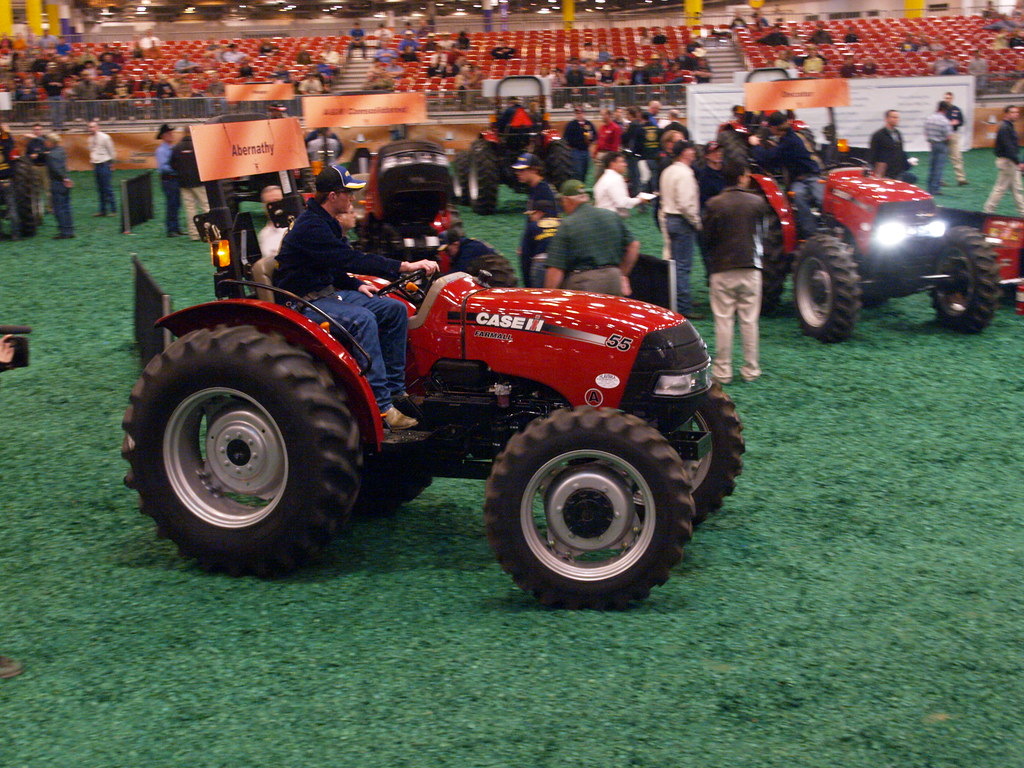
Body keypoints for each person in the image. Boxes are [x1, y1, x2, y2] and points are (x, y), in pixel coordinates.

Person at [273, 165, 439, 430]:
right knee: (363, 319)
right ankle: (382, 407)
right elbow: (349, 258)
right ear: (332, 196)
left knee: (395, 310)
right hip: (304, 301)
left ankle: (397, 391)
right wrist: (404, 267)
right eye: (348, 194)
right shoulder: (311, 227)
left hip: (327, 292)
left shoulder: (325, 222)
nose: (353, 199)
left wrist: (354, 283)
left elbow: (329, 264)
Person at [702, 163, 768, 385]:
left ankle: (723, 371)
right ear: (742, 177)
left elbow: (706, 239)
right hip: (751, 268)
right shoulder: (758, 202)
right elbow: (763, 234)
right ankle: (751, 369)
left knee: (724, 321)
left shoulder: (714, 204)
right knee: (749, 321)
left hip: (722, 269)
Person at [544, 179, 638, 296]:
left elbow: (555, 269)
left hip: (584, 284)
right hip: (614, 279)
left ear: (567, 200)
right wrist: (622, 273)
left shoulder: (567, 225)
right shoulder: (611, 215)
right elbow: (634, 246)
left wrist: (548, 295)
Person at [749, 111, 822, 238]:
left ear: (774, 128)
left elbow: (768, 158)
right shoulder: (787, 139)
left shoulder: (790, 141)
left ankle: (826, 227)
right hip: (799, 181)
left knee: (822, 198)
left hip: (812, 176)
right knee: (799, 197)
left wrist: (755, 146)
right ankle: (811, 233)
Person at [659, 141, 702, 318]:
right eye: (691, 150)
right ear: (685, 153)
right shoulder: (685, 174)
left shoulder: (668, 171)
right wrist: (696, 221)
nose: (693, 152)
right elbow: (685, 205)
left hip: (670, 218)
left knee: (675, 263)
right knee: (683, 266)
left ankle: (675, 300)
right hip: (682, 221)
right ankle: (683, 307)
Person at [983, 105, 1024, 216]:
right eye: (1013, 112)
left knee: (1017, 188)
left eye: (1017, 112)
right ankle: (988, 211)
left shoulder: (1007, 126)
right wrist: (1018, 162)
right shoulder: (1005, 128)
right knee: (1001, 188)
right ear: (1006, 114)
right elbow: (1009, 147)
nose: (1016, 114)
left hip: (1008, 161)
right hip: (1008, 162)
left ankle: (1022, 211)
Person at [170, 129, 208, 241]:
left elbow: (172, 165)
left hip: (184, 183)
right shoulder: (198, 146)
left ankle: (194, 234)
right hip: (198, 181)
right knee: (205, 206)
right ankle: (209, 231)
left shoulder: (176, 148)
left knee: (190, 208)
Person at [518, 198, 560, 288]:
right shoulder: (564, 224)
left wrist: (527, 285)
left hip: (541, 264)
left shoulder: (532, 226)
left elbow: (525, 256)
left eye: (533, 214)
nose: (530, 217)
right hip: (562, 265)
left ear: (540, 213)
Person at [594, 151, 645, 218]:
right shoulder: (615, 179)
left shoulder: (604, 178)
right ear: (613, 164)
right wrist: (640, 200)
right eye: (622, 162)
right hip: (610, 218)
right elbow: (623, 203)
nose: (625, 164)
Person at [868, 110, 915, 182]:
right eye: (894, 117)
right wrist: (873, 168)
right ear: (886, 119)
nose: (896, 119)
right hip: (885, 172)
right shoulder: (878, 135)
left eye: (897, 117)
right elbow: (873, 153)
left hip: (897, 170)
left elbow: (900, 151)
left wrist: (906, 164)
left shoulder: (898, 133)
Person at [44, 131, 73, 239]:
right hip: (66, 182)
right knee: (67, 207)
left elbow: (56, 170)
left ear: (51, 142)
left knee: (59, 208)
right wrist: (67, 178)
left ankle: (64, 232)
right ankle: (69, 230)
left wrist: (63, 178)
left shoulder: (50, 155)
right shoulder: (61, 151)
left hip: (57, 183)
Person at [155, 124, 182, 238]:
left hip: (173, 179)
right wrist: (178, 169)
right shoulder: (162, 150)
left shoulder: (171, 148)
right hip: (169, 179)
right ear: (164, 136)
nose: (172, 135)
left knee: (176, 203)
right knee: (172, 203)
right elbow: (163, 167)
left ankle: (175, 227)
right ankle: (171, 229)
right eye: (169, 133)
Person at [86, 119, 116, 218]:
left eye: (93, 126)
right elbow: (92, 151)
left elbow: (111, 151)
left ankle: (113, 210)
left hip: (104, 164)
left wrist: (111, 163)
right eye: (90, 127)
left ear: (98, 127)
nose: (91, 129)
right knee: (100, 189)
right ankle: (103, 210)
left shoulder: (105, 137)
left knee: (107, 188)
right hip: (96, 164)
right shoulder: (90, 139)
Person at [924, 101, 952, 196]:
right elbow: (948, 136)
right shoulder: (944, 121)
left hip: (932, 144)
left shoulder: (929, 118)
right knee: (938, 168)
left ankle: (929, 187)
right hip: (941, 144)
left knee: (932, 167)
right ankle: (935, 189)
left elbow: (926, 132)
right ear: (945, 110)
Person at [563, 106, 597, 182]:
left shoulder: (589, 124)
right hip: (576, 151)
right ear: (575, 114)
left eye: (581, 113)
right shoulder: (571, 125)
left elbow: (595, 136)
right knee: (578, 171)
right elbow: (566, 138)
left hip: (586, 151)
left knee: (585, 171)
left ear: (584, 113)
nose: (579, 115)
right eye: (577, 113)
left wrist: (591, 140)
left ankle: (583, 184)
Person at [25, 123, 48, 224]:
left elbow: (47, 152)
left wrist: (38, 154)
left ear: (41, 130)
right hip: (34, 167)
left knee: (47, 188)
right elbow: (27, 154)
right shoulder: (30, 143)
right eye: (35, 129)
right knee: (36, 190)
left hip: (44, 166)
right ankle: (38, 212)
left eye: (39, 129)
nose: (37, 131)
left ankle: (49, 208)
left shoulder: (45, 140)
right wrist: (31, 156)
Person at [943, 91, 968, 186]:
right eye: (946, 98)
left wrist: (956, 123)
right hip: (943, 135)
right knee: (942, 158)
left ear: (952, 99)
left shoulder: (957, 110)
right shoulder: (941, 110)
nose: (947, 100)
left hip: (954, 135)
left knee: (957, 157)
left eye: (949, 98)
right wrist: (948, 123)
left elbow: (962, 121)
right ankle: (940, 179)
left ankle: (961, 178)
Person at [257, 185, 287, 258]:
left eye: (276, 201)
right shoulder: (263, 235)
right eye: (268, 203)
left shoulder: (298, 227)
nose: (273, 207)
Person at [695, 140, 726, 208]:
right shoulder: (704, 176)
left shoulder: (727, 172)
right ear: (707, 156)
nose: (718, 154)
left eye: (719, 151)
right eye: (714, 152)